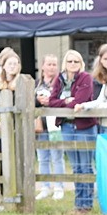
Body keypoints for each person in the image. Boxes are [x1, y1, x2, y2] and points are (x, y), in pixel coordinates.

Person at [40, 49, 96, 214]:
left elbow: (80, 100)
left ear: (81, 63)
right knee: (76, 166)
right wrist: (66, 101)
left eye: (76, 62)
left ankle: (87, 204)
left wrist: (65, 102)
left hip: (84, 126)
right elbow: (51, 101)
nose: (73, 65)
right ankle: (78, 204)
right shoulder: (60, 79)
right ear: (65, 63)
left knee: (85, 166)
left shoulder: (86, 78)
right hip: (66, 126)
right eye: (70, 61)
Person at [34, 54, 64, 201]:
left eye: (54, 64)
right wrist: (37, 100)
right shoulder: (36, 84)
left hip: (55, 126)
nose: (52, 67)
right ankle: (45, 187)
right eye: (49, 64)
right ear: (43, 66)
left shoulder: (61, 83)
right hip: (40, 126)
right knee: (42, 158)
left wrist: (51, 101)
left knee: (57, 157)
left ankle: (59, 187)